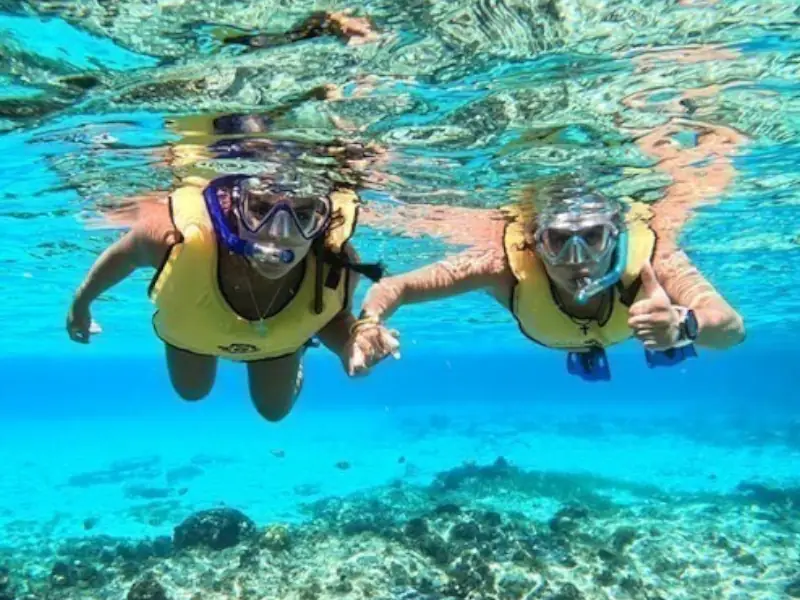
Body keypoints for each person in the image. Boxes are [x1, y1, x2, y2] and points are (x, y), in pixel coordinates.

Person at [348, 118, 747, 380]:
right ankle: (592, 353)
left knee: (669, 341)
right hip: (572, 330)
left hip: (639, 329)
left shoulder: (652, 258)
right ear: (535, 242)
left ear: (616, 232)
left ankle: (658, 344)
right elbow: (395, 286)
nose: (577, 258)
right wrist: (368, 325)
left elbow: (732, 330)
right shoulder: (500, 265)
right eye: (558, 240)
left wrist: (683, 326)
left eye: (592, 236)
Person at [66, 169, 398, 421]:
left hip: (278, 343)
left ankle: (297, 349)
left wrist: (352, 341)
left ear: (324, 222)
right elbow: (124, 255)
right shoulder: (174, 239)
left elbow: (330, 318)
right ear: (233, 208)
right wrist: (81, 302)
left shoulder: (337, 265)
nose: (279, 234)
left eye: (302, 215)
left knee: (274, 410)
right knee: (191, 391)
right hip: (196, 333)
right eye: (261, 209)